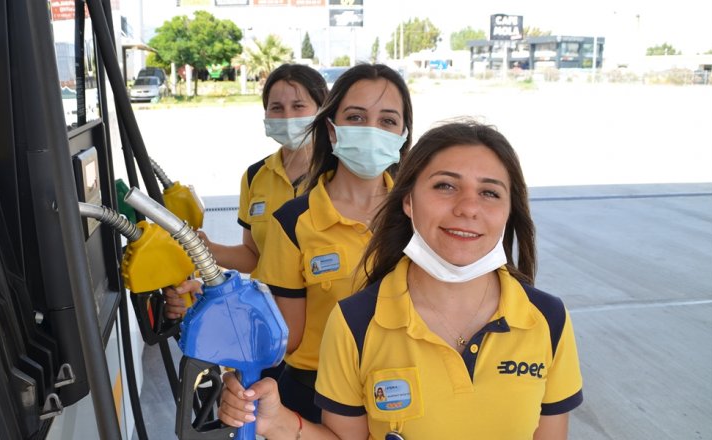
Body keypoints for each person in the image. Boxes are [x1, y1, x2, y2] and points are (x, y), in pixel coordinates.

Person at [218, 120, 584, 439]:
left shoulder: (547, 319)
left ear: (509, 210)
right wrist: (277, 422)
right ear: (408, 201)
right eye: (445, 186)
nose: (468, 207)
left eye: (489, 192)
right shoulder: (355, 322)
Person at [252, 63, 413, 423]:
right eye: (356, 117)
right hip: (316, 399)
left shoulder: (420, 216)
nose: (371, 130)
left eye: (387, 121)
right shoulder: (293, 222)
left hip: (406, 398)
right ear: (332, 128)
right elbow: (286, 338)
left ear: (403, 134)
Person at [198, 64, 328, 275]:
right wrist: (207, 248)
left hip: (327, 307)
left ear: (322, 109)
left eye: (298, 106)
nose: (287, 117)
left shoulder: (340, 173)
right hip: (268, 305)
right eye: (276, 107)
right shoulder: (254, 176)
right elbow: (252, 257)